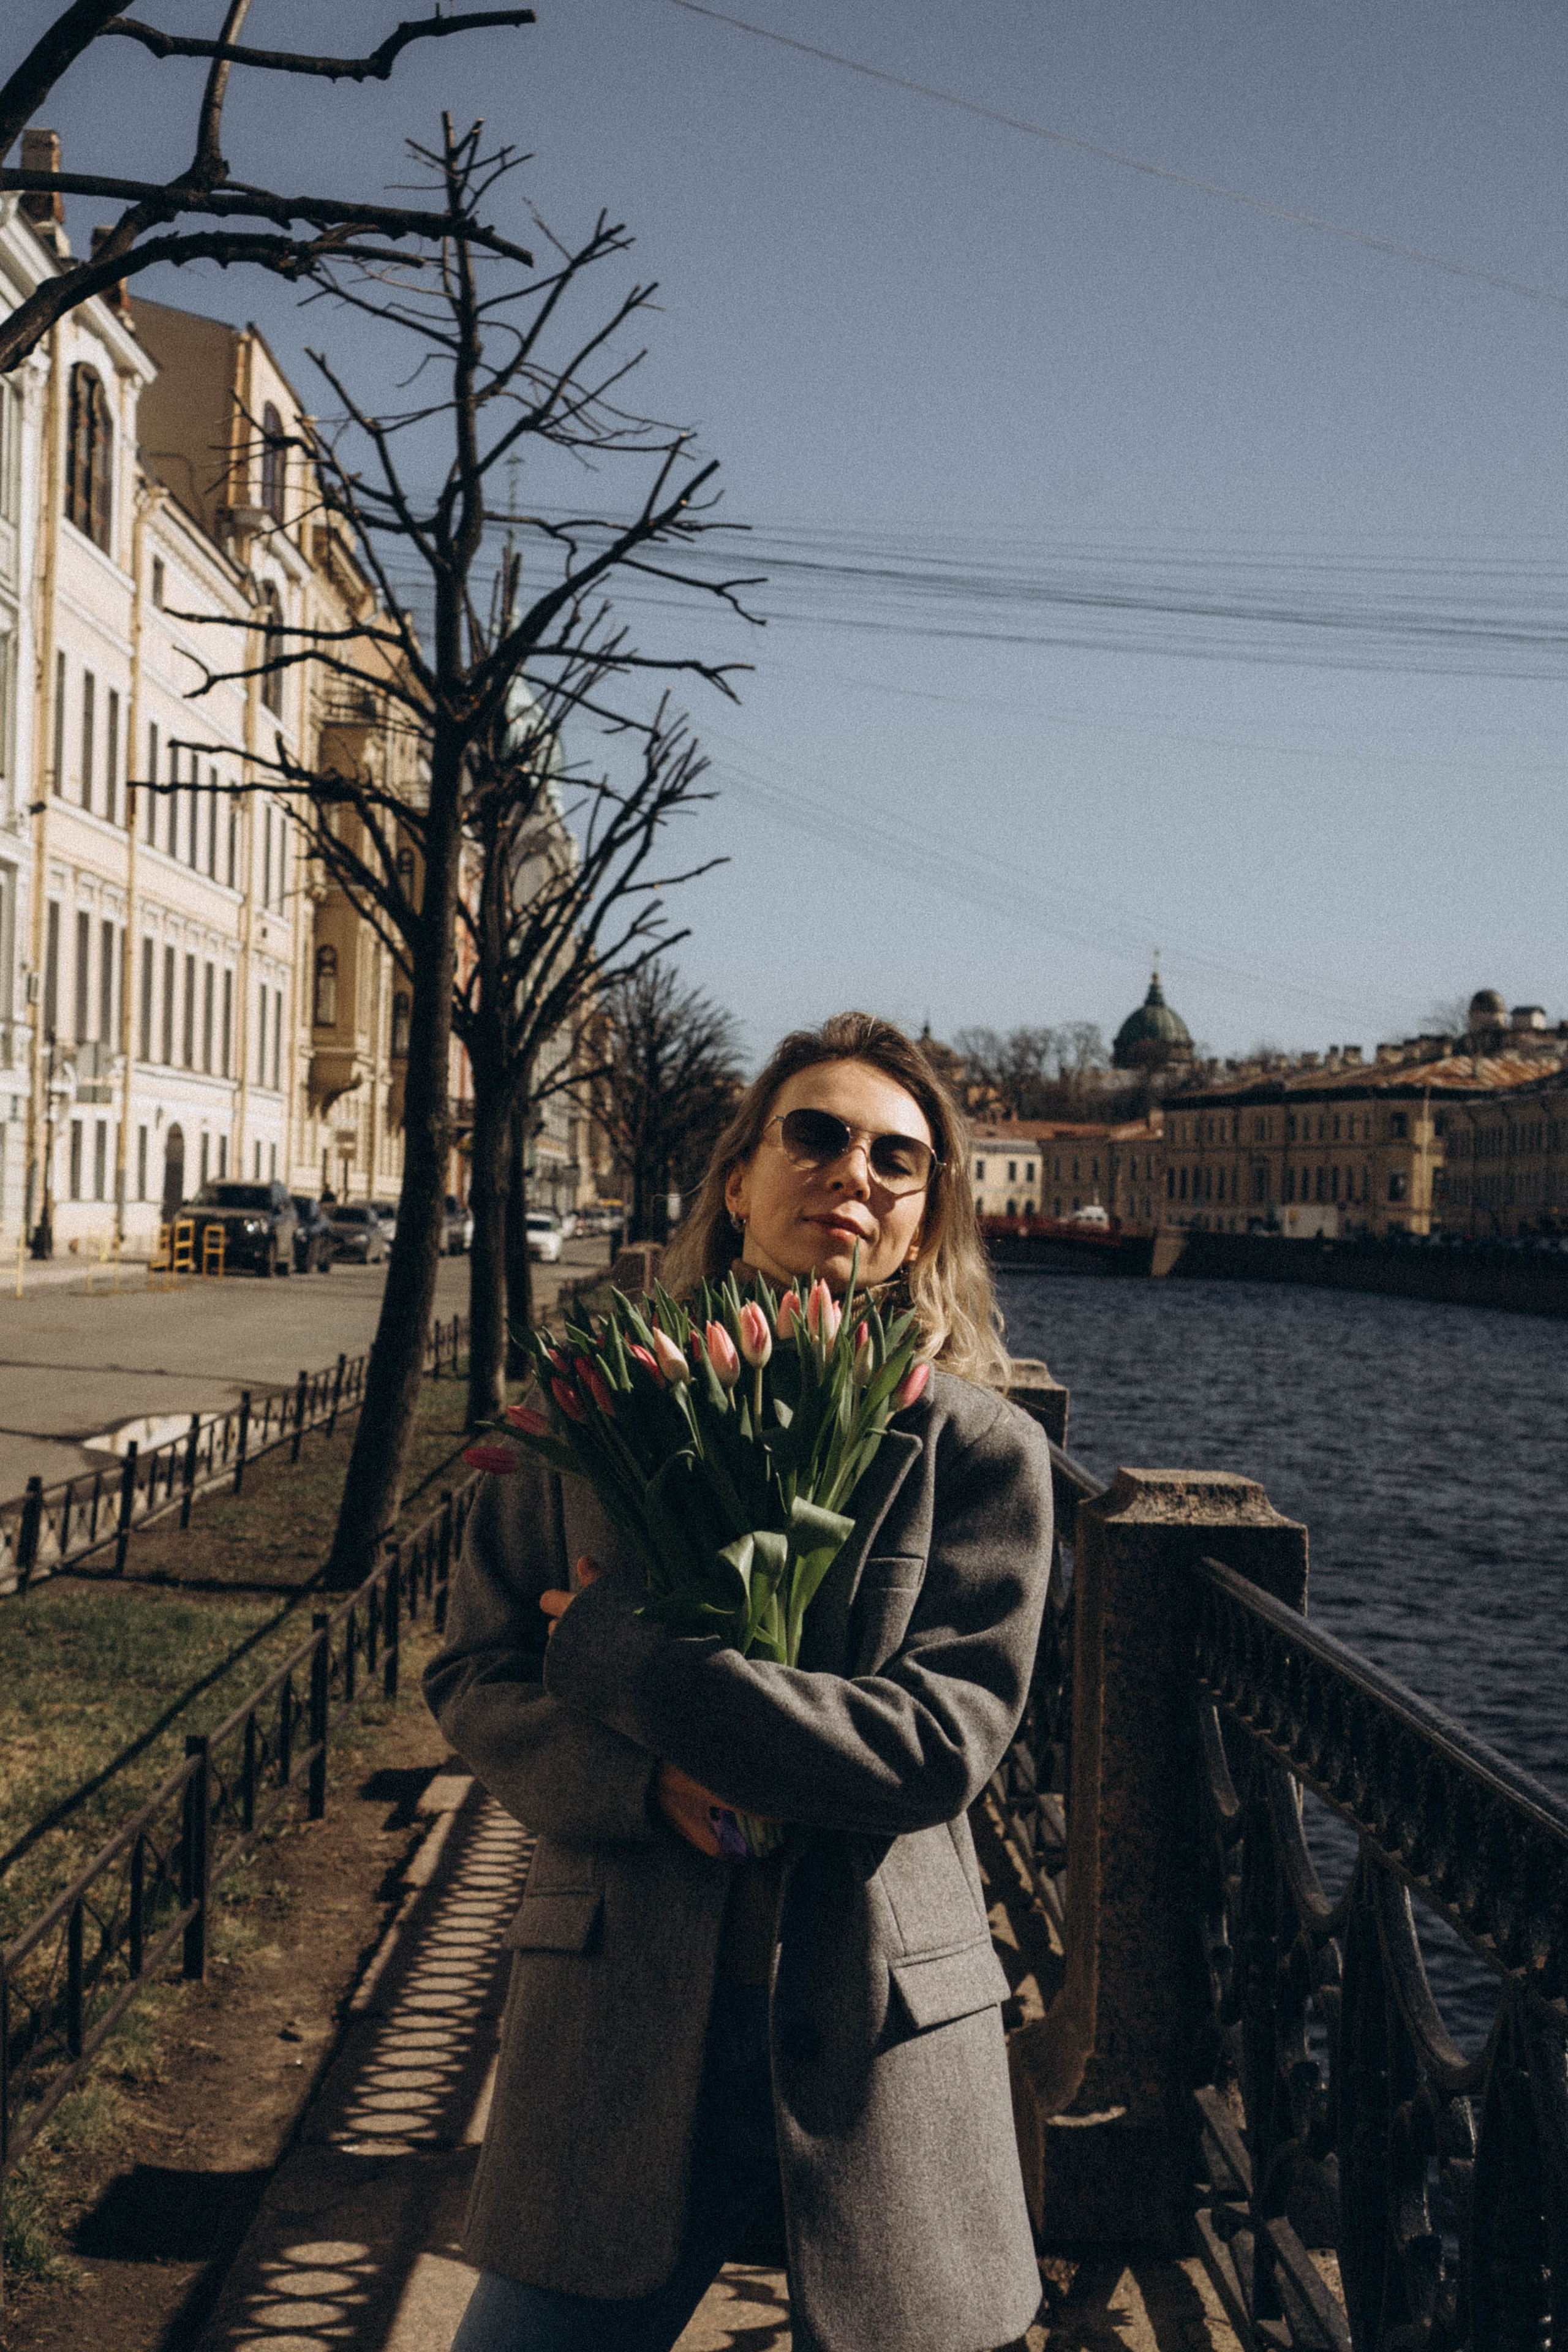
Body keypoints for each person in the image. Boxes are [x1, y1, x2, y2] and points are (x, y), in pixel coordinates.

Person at [425, 1011, 1053, 2352]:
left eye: (899, 1158)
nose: (856, 1174)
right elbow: (473, 1669)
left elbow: (934, 1751)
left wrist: (628, 1665)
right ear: (739, 1175)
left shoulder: (977, 1451)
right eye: (817, 1135)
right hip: (618, 2000)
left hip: (874, 2013)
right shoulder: (593, 1412)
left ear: (924, 1215)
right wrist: (640, 1782)